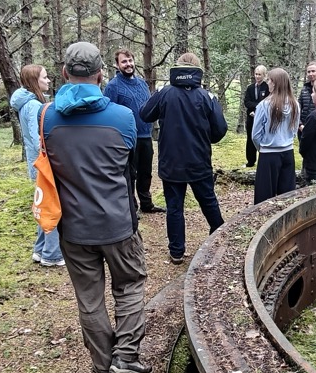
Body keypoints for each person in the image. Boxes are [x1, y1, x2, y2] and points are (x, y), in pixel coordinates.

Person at [43, 41, 152, 373]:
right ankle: (127, 356)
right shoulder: (123, 117)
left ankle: (104, 367)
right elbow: (129, 163)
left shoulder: (46, 117)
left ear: (64, 73)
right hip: (118, 223)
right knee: (130, 284)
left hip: (73, 228)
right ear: (102, 74)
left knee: (89, 299)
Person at [140, 51, 227, 264]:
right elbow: (220, 129)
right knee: (208, 201)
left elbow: (145, 114)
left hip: (171, 162)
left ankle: (177, 251)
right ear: (198, 70)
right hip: (199, 160)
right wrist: (206, 139)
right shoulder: (206, 96)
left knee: (174, 207)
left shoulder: (164, 93)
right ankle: (220, 238)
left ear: (177, 67)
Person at [10, 65, 65, 268]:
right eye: (44, 77)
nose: (48, 80)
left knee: (44, 205)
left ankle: (40, 249)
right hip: (43, 163)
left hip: (37, 163)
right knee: (51, 207)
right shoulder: (33, 105)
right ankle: (52, 254)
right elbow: (37, 139)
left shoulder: (27, 103)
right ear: (34, 81)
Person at [104, 49, 163, 214]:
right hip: (126, 138)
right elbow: (108, 112)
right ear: (117, 65)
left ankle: (147, 204)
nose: (128, 64)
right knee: (129, 174)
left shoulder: (142, 83)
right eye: (124, 61)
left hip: (145, 135)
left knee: (146, 173)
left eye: (130, 60)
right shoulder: (112, 86)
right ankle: (131, 208)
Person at [252, 67, 300, 203]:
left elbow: (255, 134)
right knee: (287, 197)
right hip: (288, 153)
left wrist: (262, 147)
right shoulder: (295, 104)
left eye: (269, 80)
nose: (267, 83)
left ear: (275, 83)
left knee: (264, 199)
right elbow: (294, 130)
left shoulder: (264, 105)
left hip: (268, 155)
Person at [243, 65, 269, 166]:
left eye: (259, 74)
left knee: (263, 137)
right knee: (250, 138)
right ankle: (250, 160)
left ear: (264, 75)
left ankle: (264, 159)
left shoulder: (267, 87)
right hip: (251, 116)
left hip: (263, 117)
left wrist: (257, 110)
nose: (257, 76)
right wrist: (255, 108)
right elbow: (247, 102)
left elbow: (266, 102)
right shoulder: (250, 88)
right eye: (256, 74)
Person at [298, 60, 316, 133]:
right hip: (303, 127)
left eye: (313, 71)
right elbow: (298, 107)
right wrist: (299, 124)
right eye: (309, 72)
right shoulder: (304, 89)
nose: (311, 74)